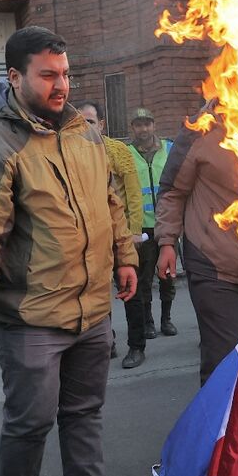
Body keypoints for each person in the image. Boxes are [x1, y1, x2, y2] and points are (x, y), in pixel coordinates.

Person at [0, 26, 138, 476]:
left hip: (93, 313)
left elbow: (110, 201)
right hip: (31, 319)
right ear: (14, 77)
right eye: (48, 75)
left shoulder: (85, 135)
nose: (62, 86)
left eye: (67, 74)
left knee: (84, 413)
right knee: (30, 424)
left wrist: (125, 256)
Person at [155, 100, 238, 386]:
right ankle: (216, 429)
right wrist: (167, 242)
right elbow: (172, 191)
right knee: (224, 361)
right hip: (212, 263)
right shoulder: (199, 129)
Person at [77, 99, 144, 359]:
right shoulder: (71, 154)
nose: (84, 128)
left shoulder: (117, 151)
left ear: (102, 125)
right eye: (79, 123)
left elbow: (133, 194)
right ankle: (107, 343)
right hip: (92, 240)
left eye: (90, 122)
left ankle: (136, 347)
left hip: (122, 236)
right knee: (97, 295)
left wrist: (134, 231)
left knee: (131, 292)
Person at [122, 107, 177, 369]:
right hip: (141, 227)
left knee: (168, 274)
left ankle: (166, 318)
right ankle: (148, 321)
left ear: (154, 125)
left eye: (147, 124)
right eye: (138, 125)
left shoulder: (168, 149)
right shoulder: (127, 153)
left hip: (167, 223)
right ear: (132, 128)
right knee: (144, 278)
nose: (143, 129)